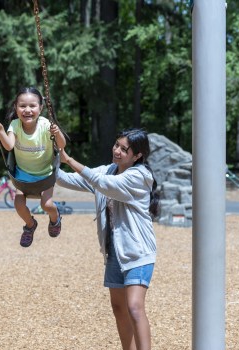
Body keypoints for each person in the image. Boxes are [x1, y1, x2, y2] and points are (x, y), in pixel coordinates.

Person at [56, 128, 159, 350]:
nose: (117, 151)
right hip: (114, 252)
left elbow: (104, 185)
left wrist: (70, 159)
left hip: (138, 252)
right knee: (118, 308)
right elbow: (65, 179)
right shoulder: (108, 170)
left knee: (134, 307)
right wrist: (42, 157)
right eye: (116, 145)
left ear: (137, 155)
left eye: (124, 149)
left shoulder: (139, 176)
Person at [0, 87, 67, 248]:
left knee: (47, 205)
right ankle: (30, 225)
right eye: (22, 106)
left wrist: (57, 132)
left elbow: (61, 145)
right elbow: (9, 145)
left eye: (32, 106)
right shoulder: (15, 125)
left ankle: (55, 218)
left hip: (45, 174)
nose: (27, 110)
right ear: (16, 108)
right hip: (23, 175)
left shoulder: (46, 125)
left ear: (41, 108)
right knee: (18, 204)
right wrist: (1, 130)